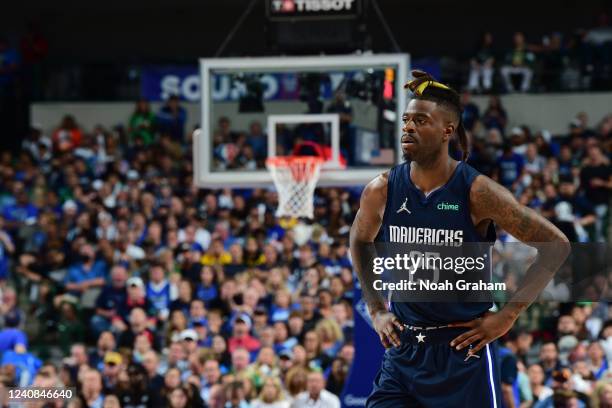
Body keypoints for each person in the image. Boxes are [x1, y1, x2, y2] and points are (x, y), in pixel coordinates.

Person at [349, 70, 569, 408]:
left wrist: (508, 315)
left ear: (447, 131)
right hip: (404, 349)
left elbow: (556, 245)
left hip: (463, 352)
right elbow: (359, 241)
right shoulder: (382, 189)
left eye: (420, 120)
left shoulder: (478, 192)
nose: (408, 126)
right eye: (406, 119)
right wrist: (376, 307)